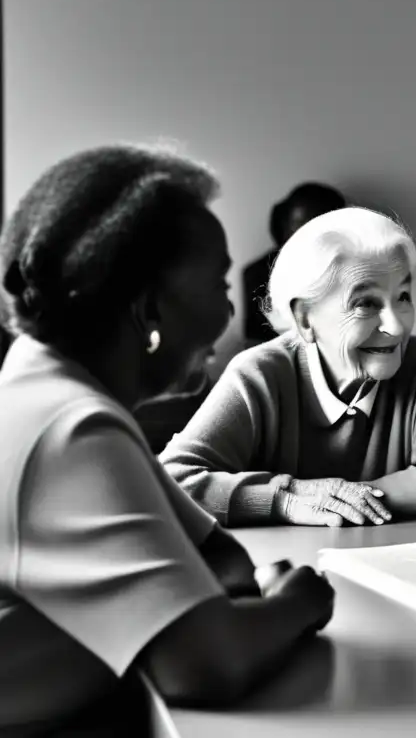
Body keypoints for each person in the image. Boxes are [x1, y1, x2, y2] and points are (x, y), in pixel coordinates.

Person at [0, 145, 335, 735]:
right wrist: (300, 603)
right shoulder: (71, 425)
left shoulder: (49, 383)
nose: (231, 311)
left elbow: (222, 562)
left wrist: (222, 603)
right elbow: (203, 665)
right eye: (216, 284)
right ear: (149, 307)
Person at [160, 207, 416, 527]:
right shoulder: (258, 374)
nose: (396, 327)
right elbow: (171, 483)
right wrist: (285, 499)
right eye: (366, 303)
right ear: (305, 319)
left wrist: (344, 498)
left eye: (404, 296)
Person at [242, 182, 347, 343]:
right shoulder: (258, 274)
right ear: (284, 226)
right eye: (300, 226)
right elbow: (254, 343)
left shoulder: (353, 270)